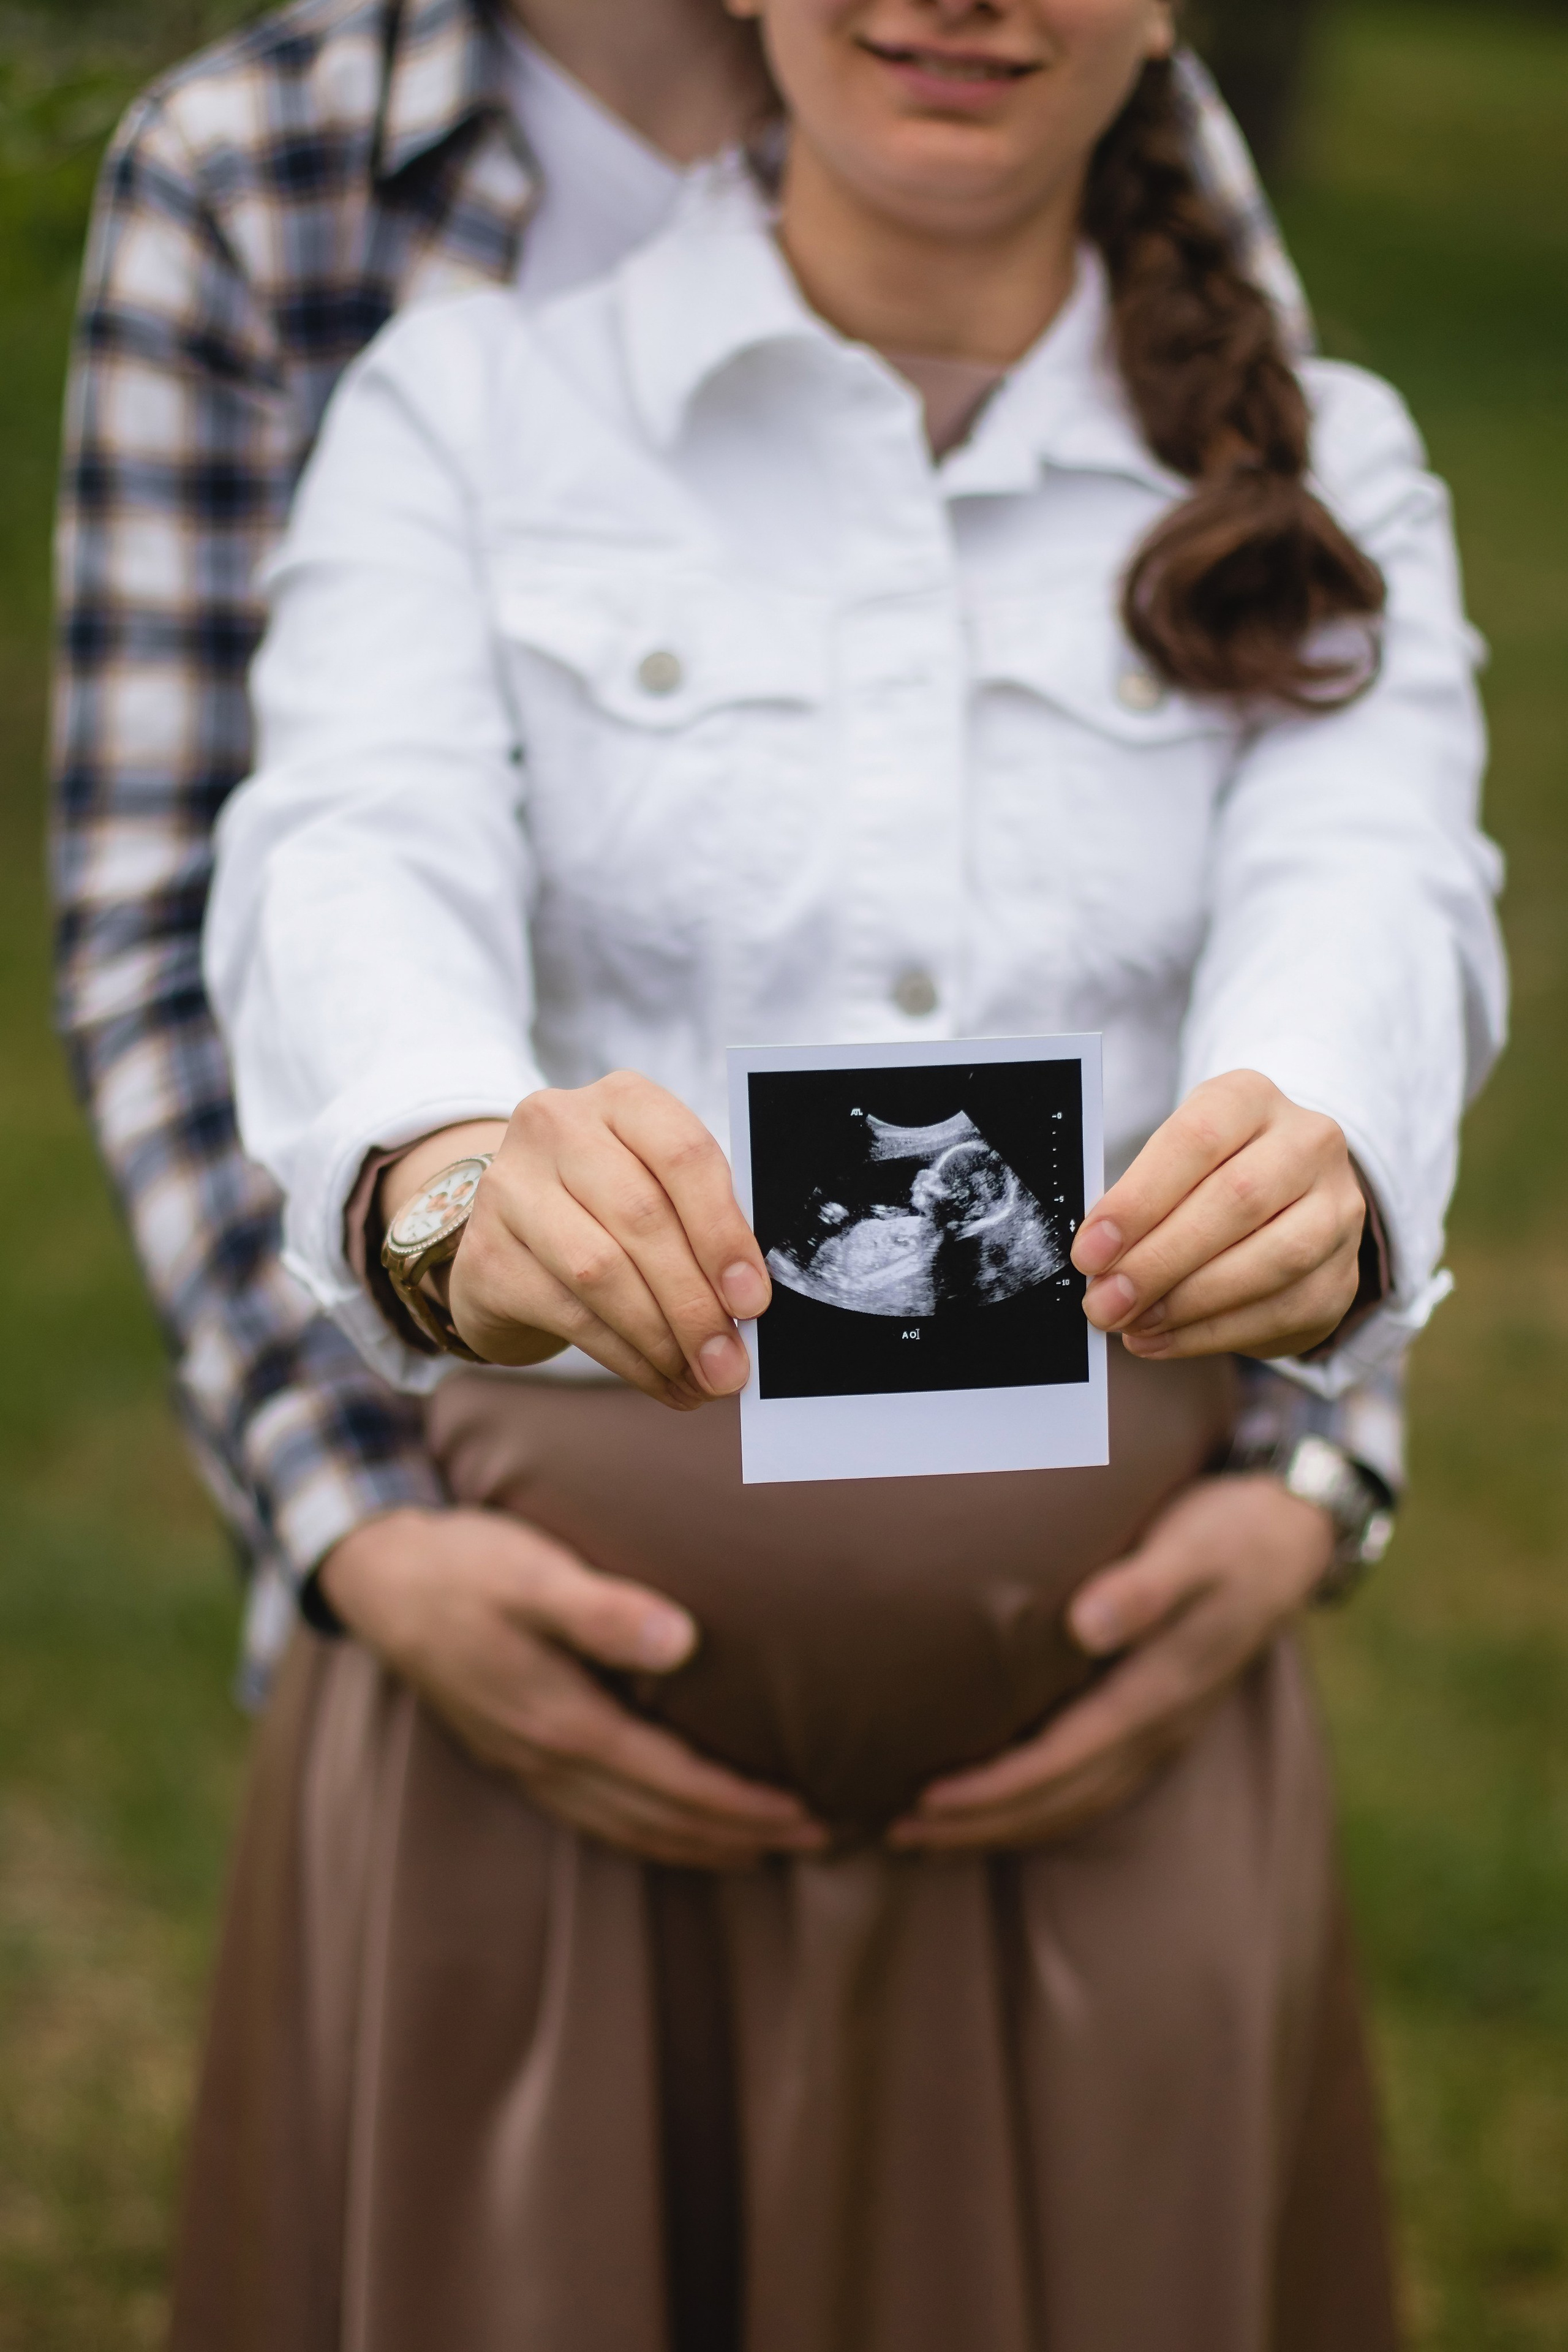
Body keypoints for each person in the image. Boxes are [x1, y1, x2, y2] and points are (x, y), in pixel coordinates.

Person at [190, 0, 1505, 2343]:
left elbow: (1379, 882)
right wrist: (449, 1169)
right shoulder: (476, 414)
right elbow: (348, 852)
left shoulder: (1332, 468)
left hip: (1113, 1786)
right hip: (545, 1806)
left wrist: (1318, 1137)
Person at [51, 0, 1390, 1893]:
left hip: (1107, 1714)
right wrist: (348, 1496)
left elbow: (1332, 840)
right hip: (510, 1661)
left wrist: (1319, 1457)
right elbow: (255, 871)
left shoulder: (1067, 112)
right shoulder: (314, 228)